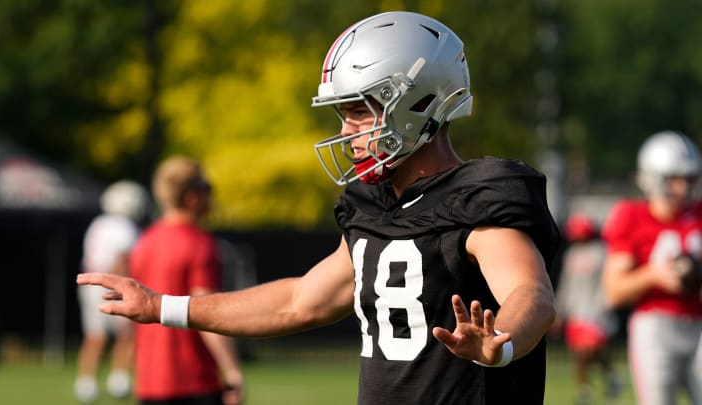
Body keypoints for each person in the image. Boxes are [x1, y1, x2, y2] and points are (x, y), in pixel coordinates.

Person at [78, 11, 559, 405]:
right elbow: (299, 302)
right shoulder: (375, 206)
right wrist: (163, 305)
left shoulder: (478, 200)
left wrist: (503, 343)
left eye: (357, 111)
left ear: (418, 102)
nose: (347, 131)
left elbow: (530, 293)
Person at [129, 156, 244, 405]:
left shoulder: (144, 242)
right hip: (195, 381)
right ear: (192, 197)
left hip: (149, 382)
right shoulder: (200, 244)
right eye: (208, 189)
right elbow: (208, 313)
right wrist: (232, 371)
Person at [601, 130, 702, 405]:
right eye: (673, 179)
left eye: (689, 179)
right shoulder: (631, 215)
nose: (682, 188)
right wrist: (655, 275)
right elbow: (614, 291)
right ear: (652, 178)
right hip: (655, 324)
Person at [75, 180, 148, 403]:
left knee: (94, 336)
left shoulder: (98, 223)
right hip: (111, 283)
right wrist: (123, 288)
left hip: (90, 283)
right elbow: (122, 259)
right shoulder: (123, 227)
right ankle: (119, 380)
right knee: (127, 333)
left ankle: (86, 383)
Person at [554, 213, 621, 404]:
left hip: (596, 310)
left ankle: (611, 377)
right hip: (576, 310)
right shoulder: (572, 254)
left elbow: (608, 281)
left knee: (591, 349)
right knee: (579, 353)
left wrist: (606, 305)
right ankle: (585, 389)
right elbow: (567, 284)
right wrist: (560, 309)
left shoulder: (602, 252)